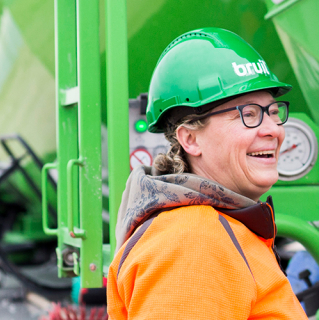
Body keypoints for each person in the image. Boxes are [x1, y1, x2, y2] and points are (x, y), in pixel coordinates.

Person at [106, 27, 306, 319]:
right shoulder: (193, 244)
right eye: (248, 114)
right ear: (190, 139)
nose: (273, 130)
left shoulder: (213, 226)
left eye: (274, 112)